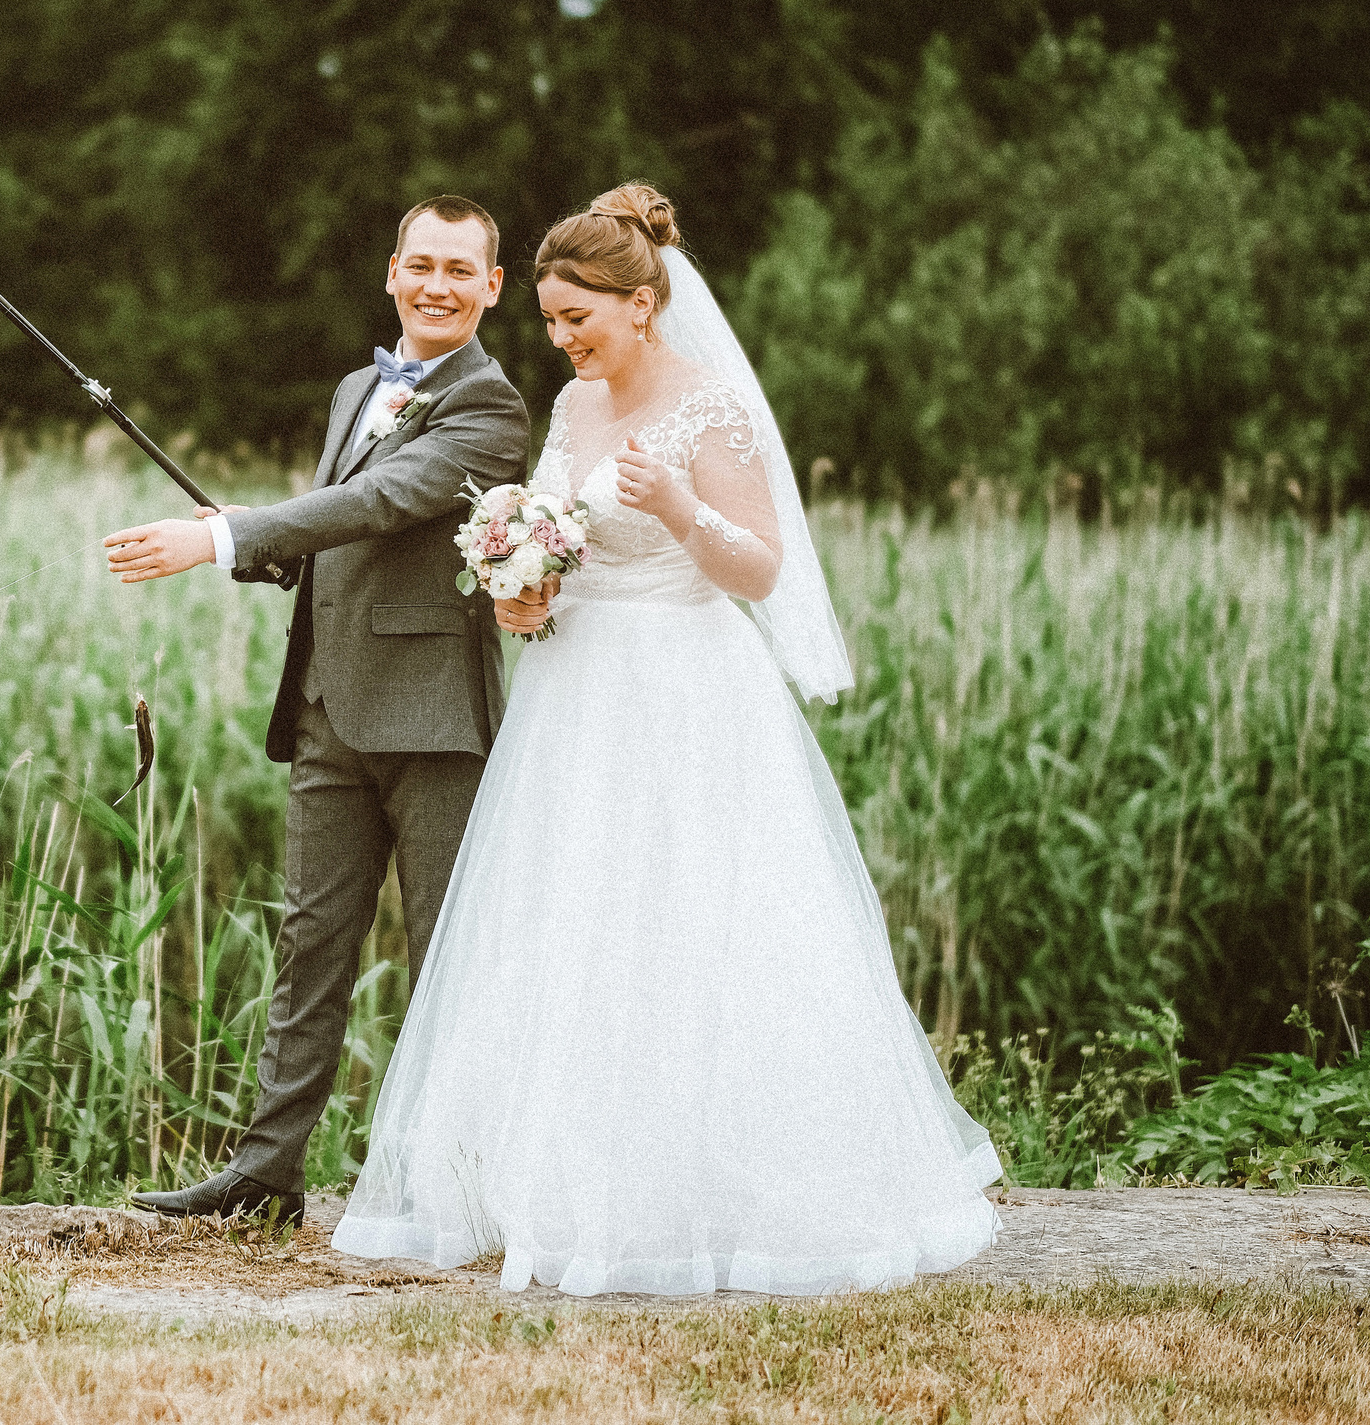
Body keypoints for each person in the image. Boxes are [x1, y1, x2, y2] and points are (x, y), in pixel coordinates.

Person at [330, 183, 1001, 1296]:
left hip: (685, 688)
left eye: (576, 319)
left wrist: (683, 507)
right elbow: (554, 536)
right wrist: (521, 588)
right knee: (573, 926)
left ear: (642, 304)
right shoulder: (569, 410)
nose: (561, 339)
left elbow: (762, 571)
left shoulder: (712, 411)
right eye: (547, 321)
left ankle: (714, 1196)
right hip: (574, 690)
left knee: (697, 927)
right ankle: (562, 1189)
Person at [101, 195, 531, 1225]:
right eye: (418, 264)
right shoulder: (354, 389)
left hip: (435, 726)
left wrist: (225, 537)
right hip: (328, 711)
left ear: (490, 287)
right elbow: (343, 537)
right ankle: (263, 1177)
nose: (434, 285)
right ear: (391, 272)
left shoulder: (493, 408)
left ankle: (454, 1182)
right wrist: (263, 550)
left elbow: (387, 502)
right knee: (309, 947)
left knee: (446, 957)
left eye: (456, 270)